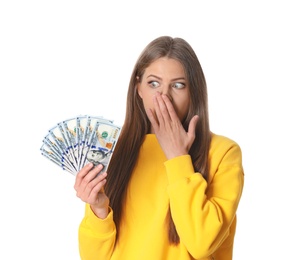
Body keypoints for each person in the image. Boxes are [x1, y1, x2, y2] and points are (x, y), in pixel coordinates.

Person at [74, 36, 244, 260]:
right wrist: (99, 210)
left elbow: (202, 244)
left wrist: (178, 157)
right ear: (139, 89)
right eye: (153, 83)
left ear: (193, 92)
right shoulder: (114, 153)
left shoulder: (223, 153)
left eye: (178, 85)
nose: (164, 96)